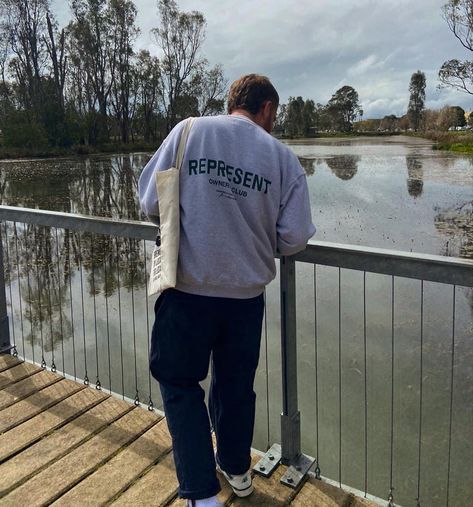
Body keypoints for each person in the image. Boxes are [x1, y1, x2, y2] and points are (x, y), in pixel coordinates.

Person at [138, 74, 315, 507]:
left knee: (180, 383)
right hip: (244, 300)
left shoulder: (189, 131)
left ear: (231, 103)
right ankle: (236, 470)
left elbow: (148, 202)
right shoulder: (284, 159)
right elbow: (293, 238)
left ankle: (202, 494)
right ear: (268, 110)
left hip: (186, 291)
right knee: (235, 386)